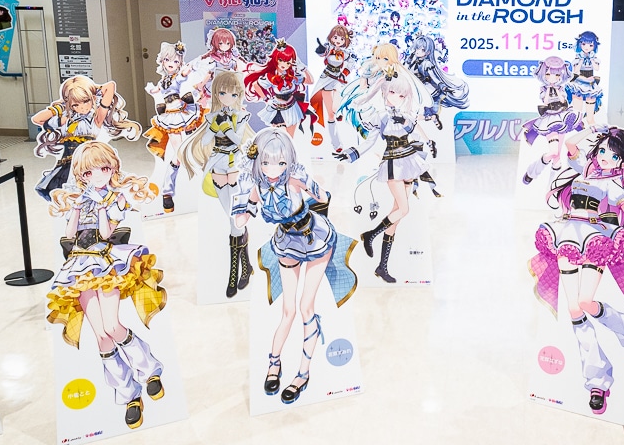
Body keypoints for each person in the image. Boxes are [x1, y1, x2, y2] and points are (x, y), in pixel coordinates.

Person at [528, 128, 624, 415]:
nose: (604, 157)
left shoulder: (617, 183)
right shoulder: (586, 168)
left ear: (623, 160)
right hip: (567, 234)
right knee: (574, 310)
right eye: (602, 150)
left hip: (596, 238)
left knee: (585, 302)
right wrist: (591, 130)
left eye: (613, 155)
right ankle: (597, 381)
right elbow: (570, 144)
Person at [46, 142, 168, 430]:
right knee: (101, 336)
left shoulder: (115, 198)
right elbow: (69, 234)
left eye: (102, 169)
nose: (97, 176)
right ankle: (129, 396)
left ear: (112, 168)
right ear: (82, 175)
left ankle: (149, 370)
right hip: (78, 265)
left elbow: (106, 232)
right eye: (89, 172)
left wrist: (100, 205)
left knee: (112, 326)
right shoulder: (79, 198)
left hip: (106, 261)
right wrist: (77, 207)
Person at [232, 128, 358, 405]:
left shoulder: (294, 179)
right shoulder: (258, 186)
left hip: (314, 238)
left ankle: (302, 374)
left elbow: (322, 197)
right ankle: (274, 364)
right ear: (258, 161)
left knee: (305, 307)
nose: (273, 169)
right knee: (288, 310)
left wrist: (309, 185)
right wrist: (241, 212)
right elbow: (245, 212)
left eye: (280, 162)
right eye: (266, 162)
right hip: (286, 242)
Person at [336, 70, 439, 282]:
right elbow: (370, 141)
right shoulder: (380, 116)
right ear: (384, 92)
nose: (397, 98)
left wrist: (427, 141)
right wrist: (352, 153)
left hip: (409, 160)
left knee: (396, 216)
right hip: (393, 162)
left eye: (401, 95)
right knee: (403, 209)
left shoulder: (407, 115)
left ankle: (382, 267)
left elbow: (414, 129)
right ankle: (370, 235)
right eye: (393, 93)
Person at [178, 70, 255, 297]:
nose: (227, 98)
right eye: (222, 93)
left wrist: (226, 127)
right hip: (218, 166)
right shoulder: (212, 116)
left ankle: (235, 274)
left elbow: (238, 140)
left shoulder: (241, 116)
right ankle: (246, 266)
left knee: (235, 221)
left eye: (232, 94)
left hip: (235, 165)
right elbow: (205, 141)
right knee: (234, 220)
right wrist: (213, 127)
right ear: (216, 94)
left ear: (238, 95)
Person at [31, 76, 140, 203]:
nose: (82, 107)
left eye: (86, 101)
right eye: (76, 104)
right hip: (67, 163)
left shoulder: (96, 118)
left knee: (91, 192)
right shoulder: (66, 119)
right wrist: (62, 106)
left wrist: (90, 90)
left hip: (88, 160)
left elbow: (110, 87)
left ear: (92, 98)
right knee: (67, 196)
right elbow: (37, 119)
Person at [144, 42, 204, 213]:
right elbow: (158, 91)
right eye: (168, 60)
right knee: (178, 153)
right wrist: (153, 91)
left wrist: (187, 70)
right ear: (162, 61)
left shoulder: (177, 77)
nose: (172, 64)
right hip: (169, 115)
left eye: (176, 61)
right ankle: (168, 191)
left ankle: (172, 190)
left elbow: (183, 76)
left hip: (182, 110)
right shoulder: (163, 80)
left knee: (183, 152)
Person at [520, 56, 584, 186]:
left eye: (557, 75)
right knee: (554, 152)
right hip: (549, 119)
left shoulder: (561, 88)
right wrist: (549, 88)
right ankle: (532, 172)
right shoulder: (543, 89)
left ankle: (552, 186)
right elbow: (545, 102)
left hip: (562, 117)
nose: (552, 78)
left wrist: (557, 88)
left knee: (557, 156)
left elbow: (563, 100)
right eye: (548, 74)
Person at [243, 41, 316, 139]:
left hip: (292, 108)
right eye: (281, 60)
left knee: (289, 138)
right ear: (276, 58)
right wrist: (266, 99)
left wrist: (304, 69)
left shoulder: (293, 75)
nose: (284, 64)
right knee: (277, 137)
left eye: (288, 62)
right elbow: (256, 85)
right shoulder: (271, 76)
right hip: (276, 108)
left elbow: (310, 81)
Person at [402, 33, 469, 129]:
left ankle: (432, 118)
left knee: (430, 108)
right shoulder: (413, 60)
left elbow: (434, 77)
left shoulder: (427, 63)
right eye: (417, 48)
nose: (418, 51)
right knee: (422, 109)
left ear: (428, 52)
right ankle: (430, 118)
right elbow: (406, 67)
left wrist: (443, 86)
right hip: (418, 88)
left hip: (428, 89)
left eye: (422, 50)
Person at [310, 24, 353, 151]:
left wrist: (345, 73)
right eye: (335, 37)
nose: (338, 41)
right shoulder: (328, 48)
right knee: (330, 115)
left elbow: (351, 63)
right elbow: (322, 53)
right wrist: (320, 49)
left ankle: (339, 111)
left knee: (335, 107)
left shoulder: (346, 53)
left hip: (339, 78)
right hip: (327, 78)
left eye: (341, 39)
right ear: (331, 37)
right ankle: (336, 143)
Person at [565, 30, 603, 126]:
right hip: (579, 82)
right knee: (577, 113)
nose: (587, 47)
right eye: (584, 44)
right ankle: (576, 126)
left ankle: (592, 127)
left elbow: (596, 68)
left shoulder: (594, 58)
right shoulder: (578, 57)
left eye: (590, 45)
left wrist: (592, 58)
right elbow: (576, 70)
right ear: (580, 44)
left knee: (590, 116)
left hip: (590, 82)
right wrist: (581, 59)